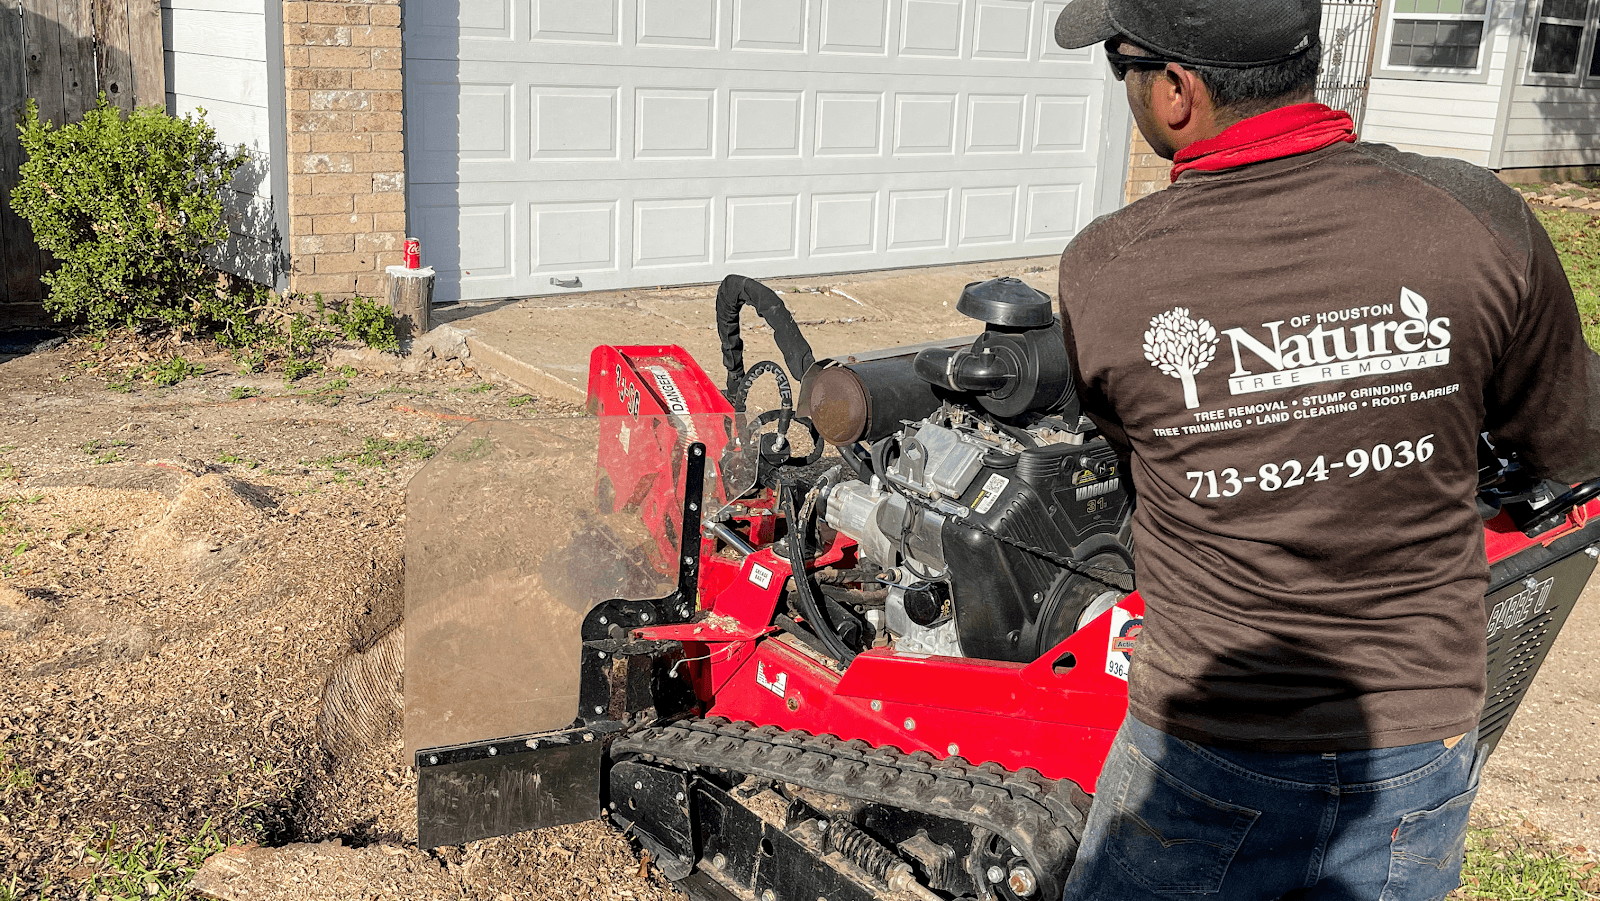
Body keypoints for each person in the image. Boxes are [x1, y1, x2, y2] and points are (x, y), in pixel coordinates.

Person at [1050, 0, 1600, 898]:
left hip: (1208, 753)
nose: (1128, 93)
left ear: (1179, 91)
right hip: (1419, 747)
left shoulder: (1107, 270)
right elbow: (1568, 442)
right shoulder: (1476, 216)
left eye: (1123, 68)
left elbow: (1133, 458)